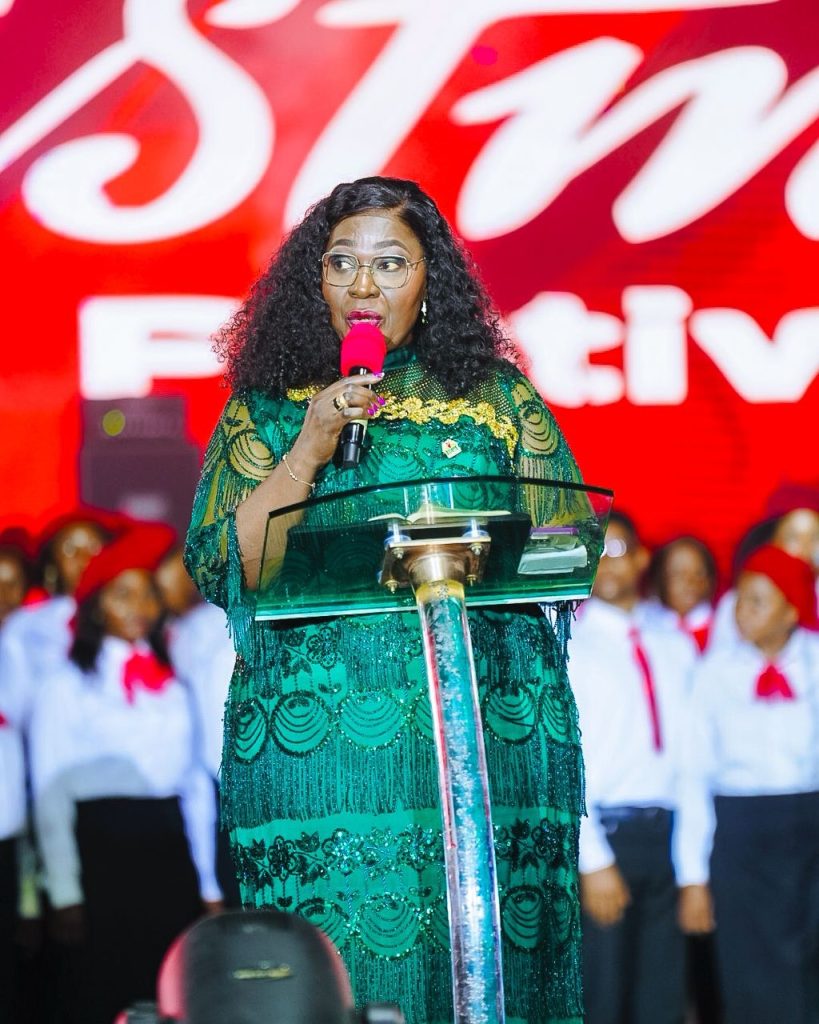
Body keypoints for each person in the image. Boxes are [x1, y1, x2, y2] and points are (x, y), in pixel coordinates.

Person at [185, 176, 585, 1023]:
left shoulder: (497, 402)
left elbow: (562, 546)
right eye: (341, 263)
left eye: (390, 263)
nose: (362, 285)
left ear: (430, 282)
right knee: (352, 970)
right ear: (315, 282)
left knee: (486, 956)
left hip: (486, 731)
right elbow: (225, 566)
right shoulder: (267, 412)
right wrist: (310, 446)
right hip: (328, 754)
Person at [29, 522, 221, 1024]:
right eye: (123, 594)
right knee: (102, 990)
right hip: (101, 850)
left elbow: (194, 787)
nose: (139, 606)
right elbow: (49, 793)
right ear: (96, 606)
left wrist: (207, 883)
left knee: (167, 992)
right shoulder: (65, 686)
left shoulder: (173, 685)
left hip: (168, 852)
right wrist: (65, 892)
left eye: (147, 594)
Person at [675, 545, 819, 1024]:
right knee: (748, 969)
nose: (743, 612)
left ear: (792, 610)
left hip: (811, 828)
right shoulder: (714, 675)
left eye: (759, 602)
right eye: (740, 600)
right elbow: (693, 776)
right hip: (741, 836)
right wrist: (693, 876)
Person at [568, 511, 695, 1024]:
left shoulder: (671, 641)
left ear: (643, 559)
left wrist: (693, 865)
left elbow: (692, 756)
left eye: (617, 549)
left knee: (662, 996)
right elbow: (568, 760)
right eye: (595, 550)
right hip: (607, 836)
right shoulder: (569, 643)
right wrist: (592, 859)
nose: (606, 562)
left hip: (668, 834)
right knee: (605, 995)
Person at [709, 483, 819, 651]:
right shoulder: (738, 599)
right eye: (793, 537)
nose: (804, 548)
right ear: (772, 538)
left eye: (815, 538)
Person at [645, 536, 717, 653]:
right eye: (678, 573)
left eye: (699, 573)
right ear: (660, 579)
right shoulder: (646, 624)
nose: (690, 582)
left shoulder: (720, 627)